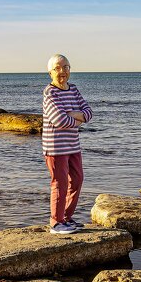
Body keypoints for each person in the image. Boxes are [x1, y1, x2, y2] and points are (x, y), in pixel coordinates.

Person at [42, 53, 92, 234]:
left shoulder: (74, 89)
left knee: (77, 180)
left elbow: (88, 112)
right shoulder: (50, 93)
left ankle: (66, 218)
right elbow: (59, 120)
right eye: (57, 68)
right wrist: (77, 120)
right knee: (60, 183)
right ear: (50, 73)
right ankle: (56, 222)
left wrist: (74, 115)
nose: (62, 71)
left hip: (73, 145)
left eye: (66, 67)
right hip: (55, 147)